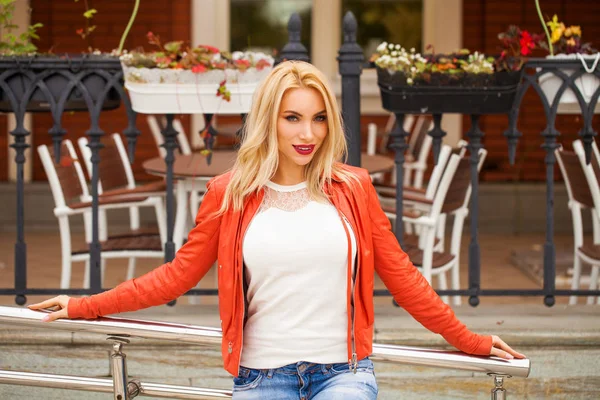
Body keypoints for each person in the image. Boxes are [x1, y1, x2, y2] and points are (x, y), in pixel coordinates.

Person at [29, 60, 525, 399]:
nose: (307, 134)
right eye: (292, 118)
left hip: (343, 375)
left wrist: (472, 341)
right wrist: (83, 305)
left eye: (318, 119)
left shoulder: (353, 188)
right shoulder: (229, 193)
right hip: (261, 376)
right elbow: (176, 277)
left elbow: (404, 278)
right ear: (270, 120)